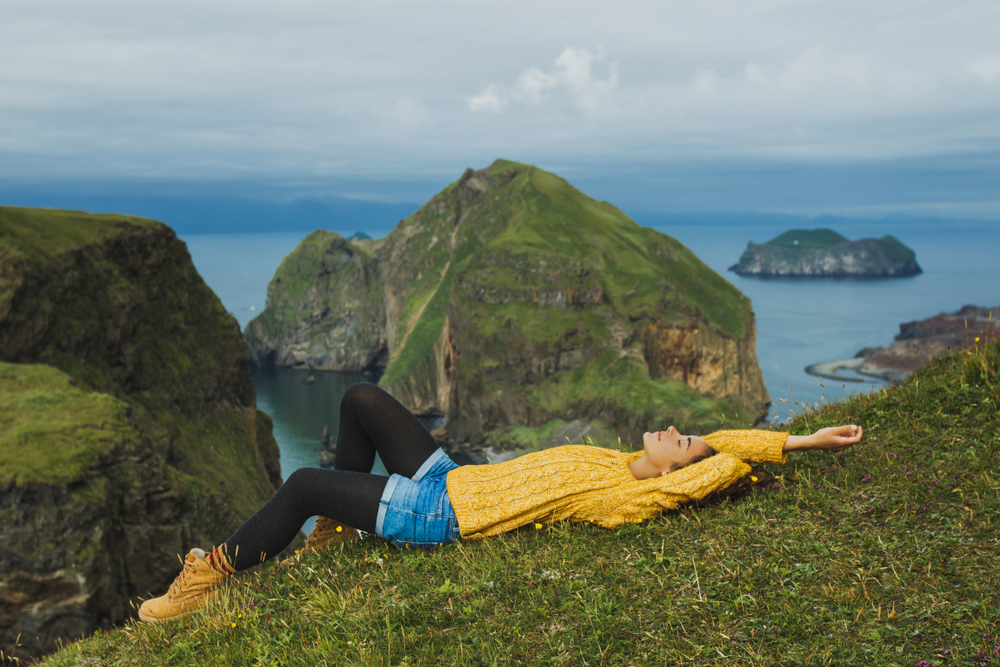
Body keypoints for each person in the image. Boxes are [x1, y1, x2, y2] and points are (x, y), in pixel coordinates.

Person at [138, 383, 863, 622]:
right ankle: (334, 532)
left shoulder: (625, 497)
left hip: (442, 515)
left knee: (300, 483)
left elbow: (720, 460)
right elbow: (718, 442)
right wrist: (790, 437)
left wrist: (792, 448)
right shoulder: (616, 457)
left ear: (679, 473)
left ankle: (208, 577)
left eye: (684, 443)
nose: (678, 431)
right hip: (453, 475)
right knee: (358, 398)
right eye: (684, 431)